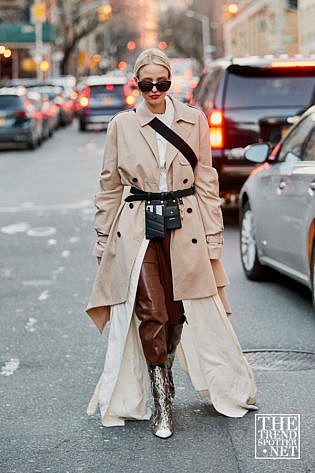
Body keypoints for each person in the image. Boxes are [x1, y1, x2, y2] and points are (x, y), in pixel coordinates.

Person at [86, 48, 257, 439]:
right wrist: (101, 239)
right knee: (152, 313)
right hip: (137, 227)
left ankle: (166, 369)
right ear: (136, 85)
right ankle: (162, 400)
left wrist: (215, 235)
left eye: (161, 83)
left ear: (170, 83)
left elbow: (206, 179)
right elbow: (110, 185)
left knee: (178, 314)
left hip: (186, 225)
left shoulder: (193, 120)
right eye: (146, 84)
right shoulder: (122, 125)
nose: (154, 91)